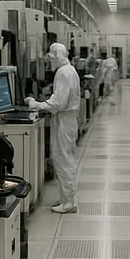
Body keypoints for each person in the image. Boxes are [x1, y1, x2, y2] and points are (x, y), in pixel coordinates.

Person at [27, 42, 81, 213]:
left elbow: (58, 103)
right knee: (63, 158)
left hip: (64, 120)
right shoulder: (68, 70)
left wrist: (36, 104)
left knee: (63, 159)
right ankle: (67, 197)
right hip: (66, 119)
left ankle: (69, 202)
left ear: (57, 57)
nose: (49, 62)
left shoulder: (64, 73)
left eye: (51, 58)